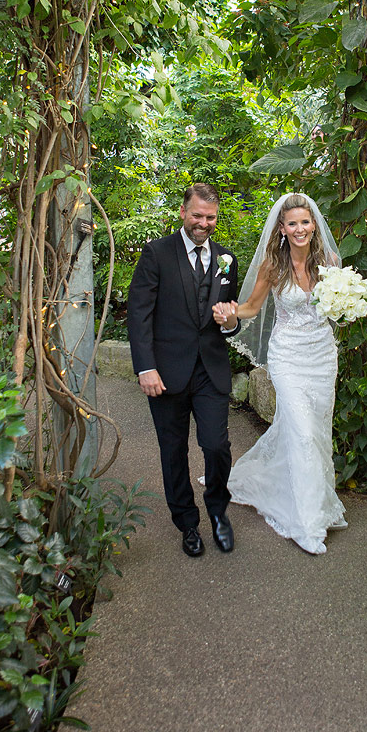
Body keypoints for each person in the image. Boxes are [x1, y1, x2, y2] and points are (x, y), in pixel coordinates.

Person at [212, 193, 347, 556]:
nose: (300, 229)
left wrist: (350, 304)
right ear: (283, 229)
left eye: (305, 222)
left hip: (322, 356)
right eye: (292, 223)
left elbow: (339, 309)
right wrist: (229, 314)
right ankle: (308, 525)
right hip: (288, 356)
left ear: (314, 224)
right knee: (303, 434)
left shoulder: (330, 262)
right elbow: (251, 308)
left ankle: (319, 502)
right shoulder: (272, 266)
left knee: (317, 431)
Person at [127, 183, 241, 558]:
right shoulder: (156, 253)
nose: (203, 223)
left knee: (216, 446)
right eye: (197, 215)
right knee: (172, 450)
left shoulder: (227, 259)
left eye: (210, 218)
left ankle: (218, 513)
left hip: (210, 369)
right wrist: (145, 367)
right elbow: (139, 314)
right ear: (182, 212)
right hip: (166, 373)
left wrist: (229, 321)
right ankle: (187, 523)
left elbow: (230, 319)